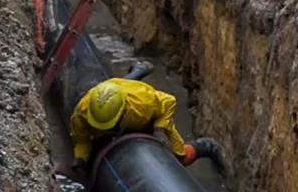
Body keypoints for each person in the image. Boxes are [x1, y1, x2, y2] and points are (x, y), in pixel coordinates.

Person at [68, 70, 220, 176]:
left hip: (145, 117)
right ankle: (135, 72)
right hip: (119, 90)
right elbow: (81, 139)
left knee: (180, 159)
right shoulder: (82, 112)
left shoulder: (143, 103)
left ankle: (206, 146)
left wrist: (160, 129)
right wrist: (80, 158)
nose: (107, 132)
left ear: (124, 111)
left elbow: (169, 101)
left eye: (111, 127)